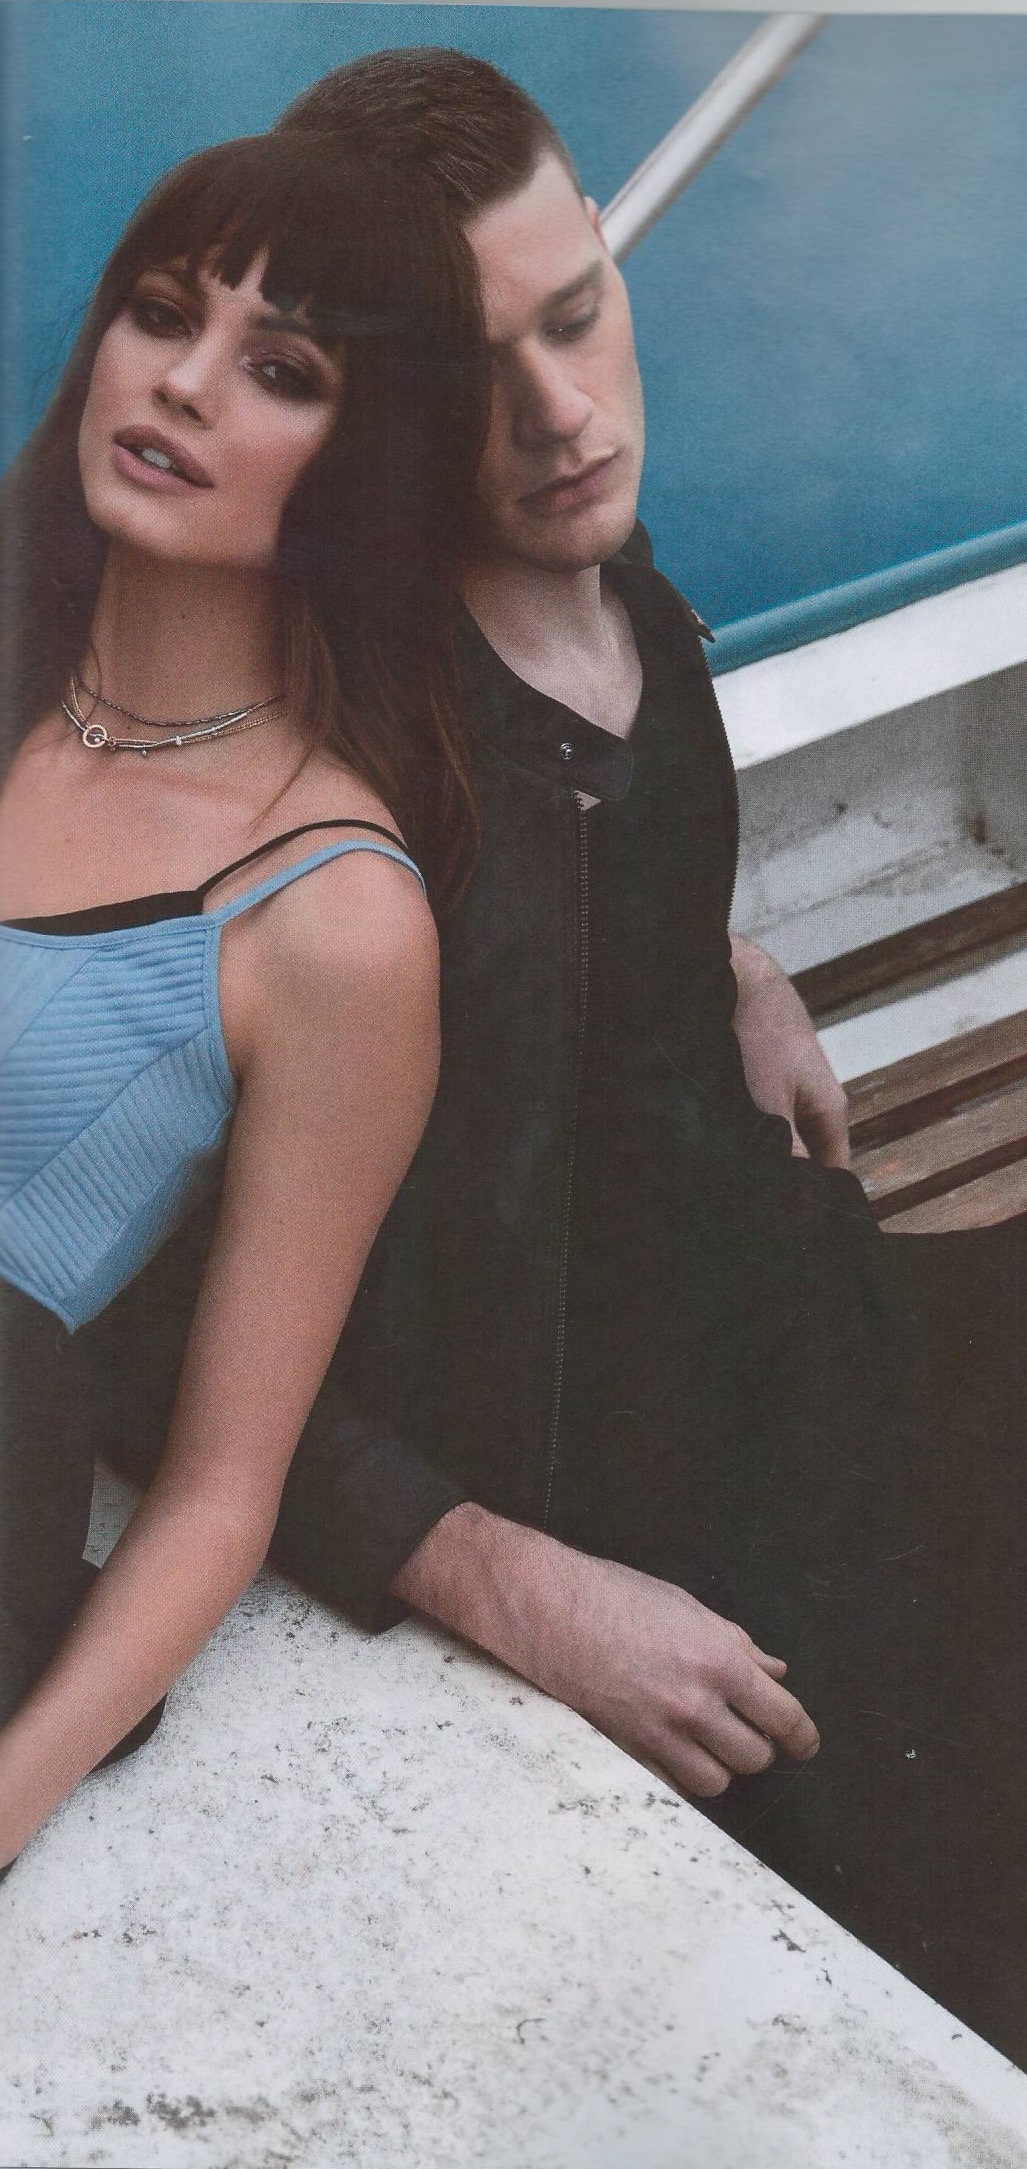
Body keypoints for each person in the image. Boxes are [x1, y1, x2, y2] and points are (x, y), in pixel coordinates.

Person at [66, 53, 1027, 2169]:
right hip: (665, 1522)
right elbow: (115, 1292)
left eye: (579, 311)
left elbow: (587, 864)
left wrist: (723, 958)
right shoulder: (297, 762)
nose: (568, 415)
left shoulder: (608, 581)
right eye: (479, 372)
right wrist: (498, 1572)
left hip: (847, 1336)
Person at [0, 133, 491, 1882]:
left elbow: (221, 1488)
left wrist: (11, 1793)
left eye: (281, 370)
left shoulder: (333, 917)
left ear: (369, 462)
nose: (184, 384)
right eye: (160, 314)